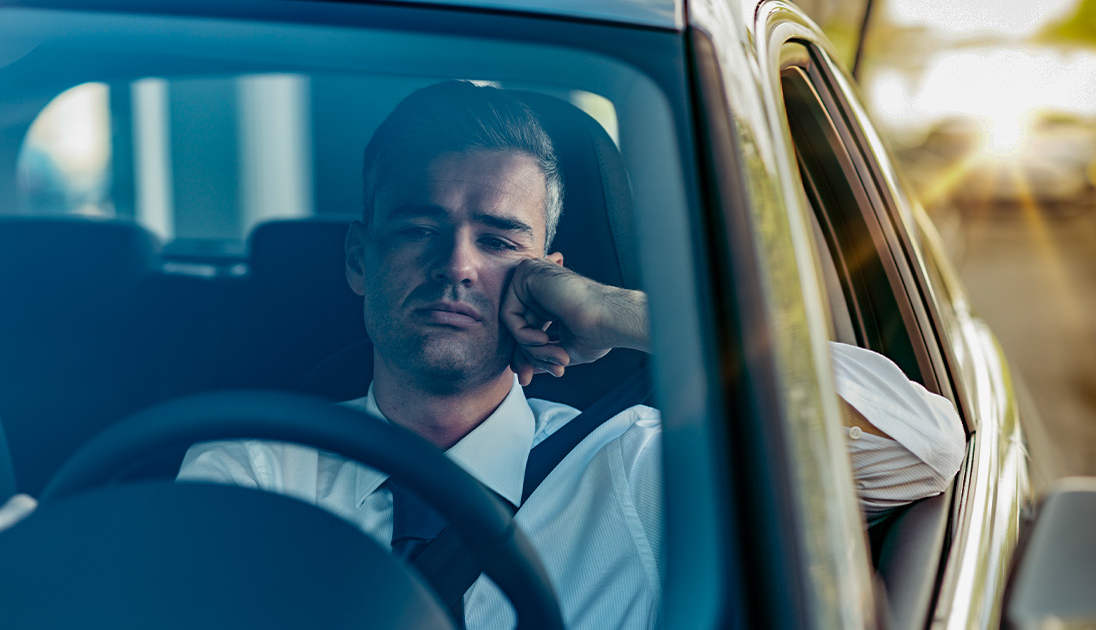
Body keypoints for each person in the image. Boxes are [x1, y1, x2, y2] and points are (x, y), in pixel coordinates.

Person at [173, 81, 966, 629]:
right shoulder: (257, 467)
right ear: (359, 258)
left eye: (498, 239)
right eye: (417, 229)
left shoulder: (644, 465)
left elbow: (922, 449)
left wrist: (618, 313)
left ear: (549, 273)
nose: (455, 264)